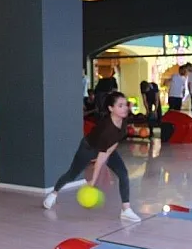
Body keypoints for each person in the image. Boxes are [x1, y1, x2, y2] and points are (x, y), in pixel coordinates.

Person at [43, 91, 141, 222]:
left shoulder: (123, 121)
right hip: (88, 148)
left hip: (107, 148)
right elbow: (100, 158)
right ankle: (53, 193)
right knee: (72, 174)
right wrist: (93, 181)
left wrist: (109, 153)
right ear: (111, 109)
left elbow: (113, 144)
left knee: (123, 173)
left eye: (125, 105)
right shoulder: (106, 129)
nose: (125, 108)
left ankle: (126, 209)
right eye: (120, 105)